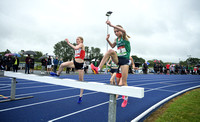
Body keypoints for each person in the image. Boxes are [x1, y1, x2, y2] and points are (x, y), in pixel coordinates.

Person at [90, 20, 131, 108]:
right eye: (114, 32)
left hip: (125, 60)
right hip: (118, 59)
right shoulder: (117, 39)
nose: (116, 33)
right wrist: (107, 40)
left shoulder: (124, 37)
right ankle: (98, 69)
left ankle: (125, 98)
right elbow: (112, 46)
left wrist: (112, 25)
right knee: (110, 51)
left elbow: (124, 31)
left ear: (121, 30)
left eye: (117, 31)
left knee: (124, 82)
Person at [50, 37, 85, 104]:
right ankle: (58, 74)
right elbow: (76, 52)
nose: (76, 40)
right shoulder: (77, 46)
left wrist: (68, 43)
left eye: (78, 39)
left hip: (80, 65)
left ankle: (80, 97)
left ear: (81, 41)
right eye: (76, 39)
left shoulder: (81, 45)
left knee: (81, 82)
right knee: (62, 65)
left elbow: (75, 48)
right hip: (75, 63)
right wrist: (72, 60)